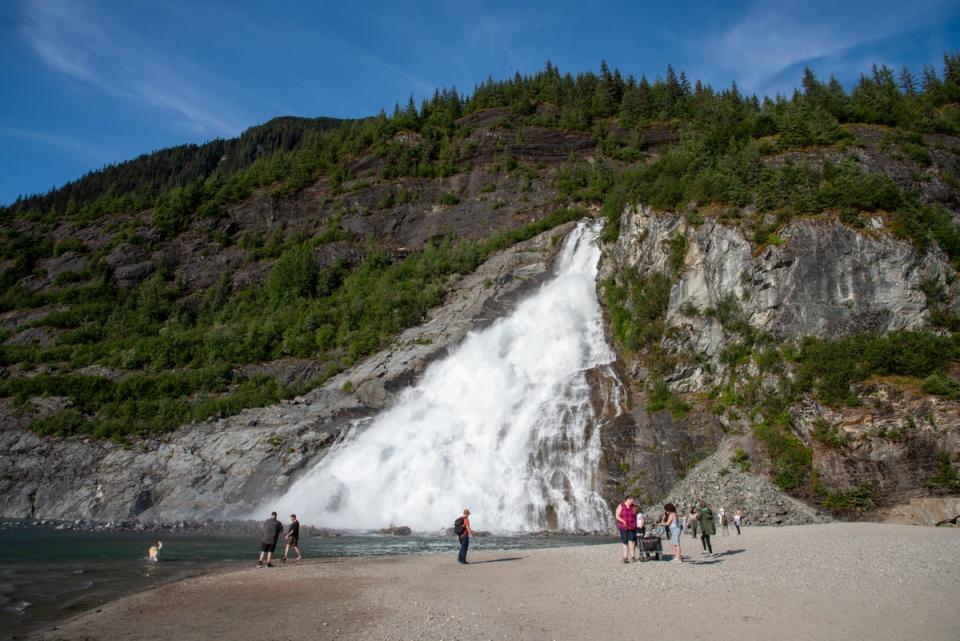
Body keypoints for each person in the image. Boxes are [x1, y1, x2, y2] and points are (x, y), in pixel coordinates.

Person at [614, 495, 637, 563]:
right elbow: (617, 516)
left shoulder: (633, 506)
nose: (633, 502)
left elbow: (637, 514)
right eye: (632, 500)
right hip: (623, 527)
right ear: (628, 499)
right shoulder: (621, 506)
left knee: (632, 541)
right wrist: (623, 521)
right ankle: (625, 557)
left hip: (632, 526)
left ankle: (633, 557)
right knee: (625, 542)